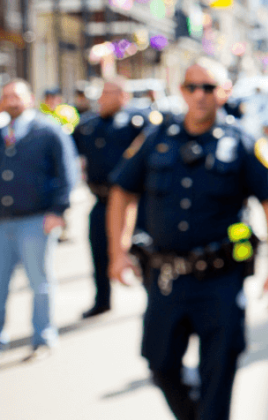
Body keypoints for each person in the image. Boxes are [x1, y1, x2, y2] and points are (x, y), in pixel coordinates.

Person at [108, 58, 268, 420]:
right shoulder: (157, 139)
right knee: (161, 366)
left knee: (218, 378)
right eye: (192, 87)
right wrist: (117, 252)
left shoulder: (243, 142)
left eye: (209, 87)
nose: (200, 95)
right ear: (182, 90)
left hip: (221, 282)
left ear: (225, 91)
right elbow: (122, 192)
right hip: (166, 279)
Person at [0, 79, 76, 361]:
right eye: (6, 96)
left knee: (40, 282)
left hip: (35, 219)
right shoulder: (1, 132)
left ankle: (43, 336)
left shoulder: (47, 130)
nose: (11, 101)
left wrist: (58, 210)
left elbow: (67, 172)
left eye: (16, 96)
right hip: (3, 220)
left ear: (29, 99)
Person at [73, 76, 160, 318]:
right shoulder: (88, 125)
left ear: (123, 96)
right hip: (102, 200)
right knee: (99, 252)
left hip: (136, 203)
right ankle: (102, 300)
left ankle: (155, 302)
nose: (102, 98)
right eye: (101, 93)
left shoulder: (139, 122)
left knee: (145, 252)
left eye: (108, 93)